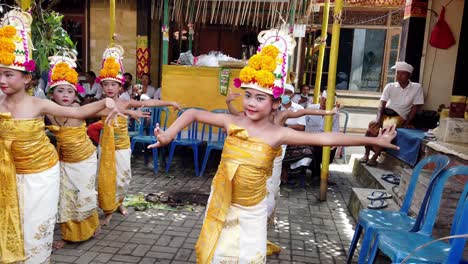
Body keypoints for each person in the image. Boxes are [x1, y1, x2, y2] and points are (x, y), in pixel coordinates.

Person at [148, 42, 397, 264]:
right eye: (248, 96)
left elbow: (324, 137)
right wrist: (168, 135)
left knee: (248, 258)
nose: (251, 103)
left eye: (260, 98)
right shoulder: (231, 122)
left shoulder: (278, 133)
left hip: (252, 210)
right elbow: (191, 114)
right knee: (215, 255)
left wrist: (373, 139)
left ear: (275, 104)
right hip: (222, 201)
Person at [0, 9, 122, 263]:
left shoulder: (38, 105)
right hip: (12, 172)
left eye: (8, 74)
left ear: (26, 78)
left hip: (43, 173)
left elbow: (81, 110)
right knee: (14, 221)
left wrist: (106, 104)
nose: (2, 80)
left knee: (36, 224)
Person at [96, 45, 181, 226]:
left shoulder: (125, 102)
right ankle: (108, 210)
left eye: (113, 84)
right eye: (106, 84)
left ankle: (118, 204)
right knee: (106, 178)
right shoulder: (101, 103)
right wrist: (130, 114)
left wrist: (169, 101)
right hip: (106, 146)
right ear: (101, 86)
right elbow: (108, 111)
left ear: (120, 87)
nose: (109, 88)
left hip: (123, 146)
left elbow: (148, 101)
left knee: (123, 178)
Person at [360, 61, 424, 166]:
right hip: (385, 114)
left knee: (385, 132)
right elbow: (382, 104)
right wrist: (378, 118)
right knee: (370, 129)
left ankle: (374, 157)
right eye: (398, 73)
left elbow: (414, 108)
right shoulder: (390, 86)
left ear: (409, 75)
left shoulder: (416, 87)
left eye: (402, 73)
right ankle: (366, 155)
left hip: (399, 116)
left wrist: (406, 123)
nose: (399, 76)